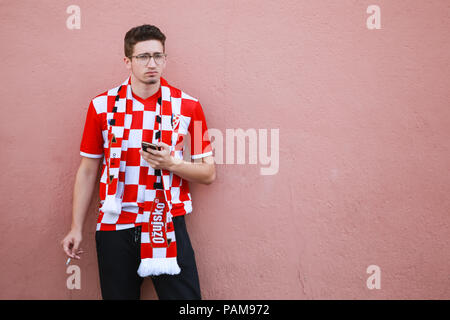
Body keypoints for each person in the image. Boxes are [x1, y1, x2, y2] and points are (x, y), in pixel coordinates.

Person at [61, 24, 216, 300]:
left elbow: (208, 173)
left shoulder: (188, 106)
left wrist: (172, 163)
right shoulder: (101, 106)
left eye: (158, 56)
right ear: (127, 61)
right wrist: (75, 227)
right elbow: (87, 170)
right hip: (115, 224)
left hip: (165, 221)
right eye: (143, 56)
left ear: (165, 59)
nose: (152, 63)